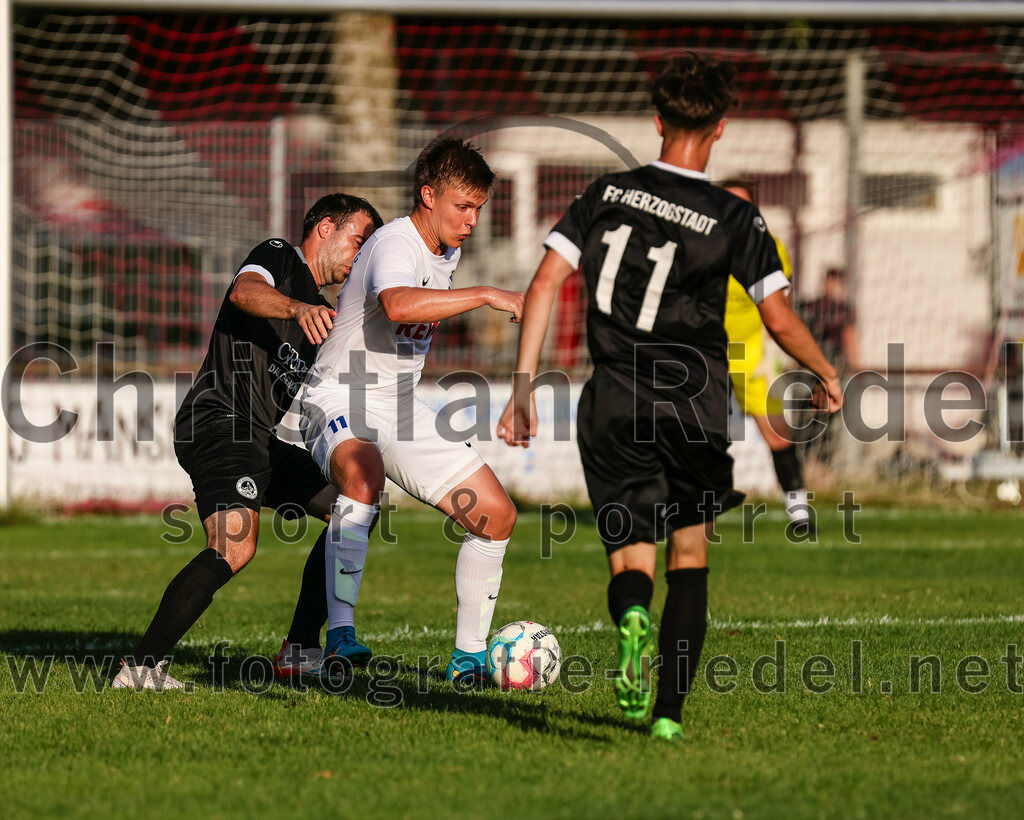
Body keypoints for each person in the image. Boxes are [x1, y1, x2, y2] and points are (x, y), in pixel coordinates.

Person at [497, 53, 842, 740]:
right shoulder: (734, 218)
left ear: (657, 120)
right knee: (691, 553)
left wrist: (522, 385)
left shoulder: (604, 194)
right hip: (691, 405)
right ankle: (667, 716)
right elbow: (777, 317)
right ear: (719, 128)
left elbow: (541, 286)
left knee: (630, 552)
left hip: (611, 402)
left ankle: (630, 614)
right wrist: (825, 372)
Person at [113, 194, 382, 690]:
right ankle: (140, 669)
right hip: (219, 421)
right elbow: (243, 292)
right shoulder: (280, 256)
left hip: (258, 438)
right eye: (358, 241)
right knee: (235, 546)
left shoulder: (328, 314)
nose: (359, 256)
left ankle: (300, 649)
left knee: (356, 504)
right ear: (325, 228)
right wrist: (297, 308)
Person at [298, 137, 524, 683]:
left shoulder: (448, 251)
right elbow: (399, 304)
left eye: (478, 209)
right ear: (428, 195)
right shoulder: (396, 241)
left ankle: (468, 658)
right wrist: (485, 294)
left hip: (397, 405)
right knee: (364, 471)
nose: (471, 221)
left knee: (495, 514)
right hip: (337, 394)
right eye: (462, 207)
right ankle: (341, 636)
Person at [719, 179, 814, 536]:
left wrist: (782, 350)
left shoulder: (769, 248)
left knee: (777, 434)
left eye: (741, 206)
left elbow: (780, 309)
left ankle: (799, 514)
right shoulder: (694, 243)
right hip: (702, 353)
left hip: (751, 353)